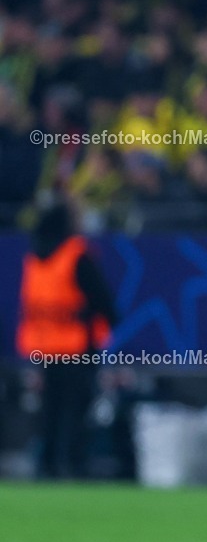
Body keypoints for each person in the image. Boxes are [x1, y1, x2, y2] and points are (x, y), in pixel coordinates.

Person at [16, 203, 117, 479]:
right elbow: (103, 301)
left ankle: (45, 465)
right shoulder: (75, 256)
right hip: (75, 347)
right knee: (75, 412)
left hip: (43, 349)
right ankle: (72, 466)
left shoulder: (34, 260)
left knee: (49, 412)